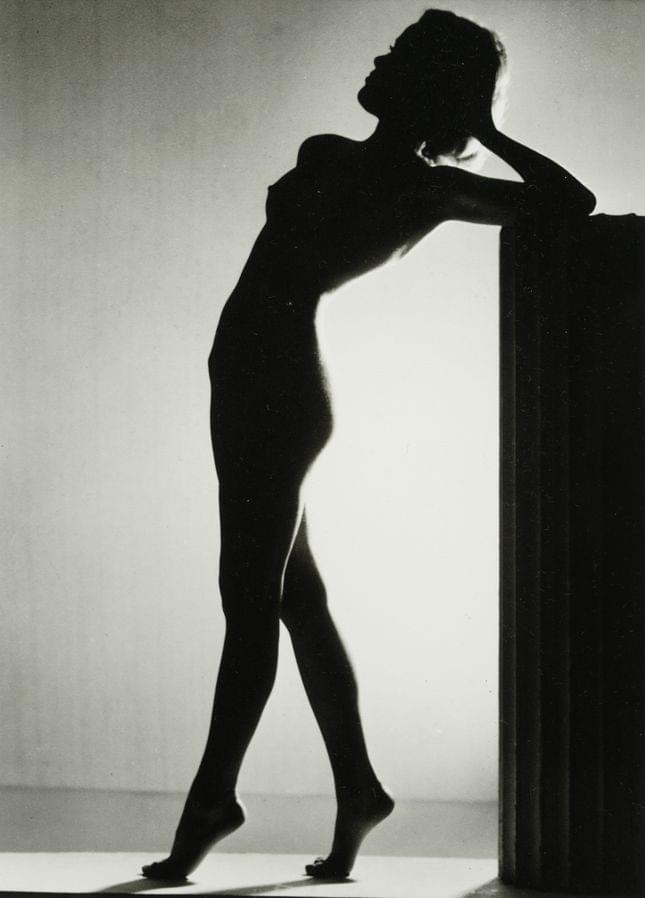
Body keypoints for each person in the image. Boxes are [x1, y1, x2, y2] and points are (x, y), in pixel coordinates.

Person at [141, 7, 595, 883]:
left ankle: (212, 800)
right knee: (295, 600)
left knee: (248, 601)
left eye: (399, 55)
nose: (378, 60)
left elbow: (568, 205)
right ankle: (358, 789)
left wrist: (488, 128)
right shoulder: (331, 153)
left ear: (428, 84)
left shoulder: (431, 190)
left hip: (276, 391)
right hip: (248, 382)